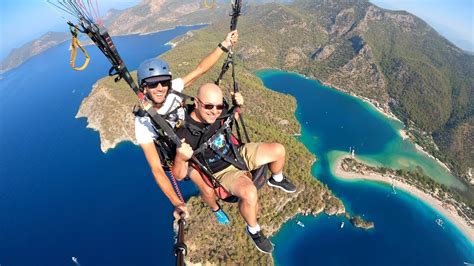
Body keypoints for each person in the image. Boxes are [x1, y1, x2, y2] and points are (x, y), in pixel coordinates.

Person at [172, 83, 297, 254]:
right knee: (250, 193)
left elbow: (232, 120)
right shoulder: (184, 135)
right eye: (208, 106)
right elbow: (178, 175)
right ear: (197, 103)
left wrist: (238, 105)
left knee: (278, 150)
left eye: (218, 106)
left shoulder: (219, 112)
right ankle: (254, 230)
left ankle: (277, 178)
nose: (214, 111)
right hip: (221, 171)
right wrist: (180, 157)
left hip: (238, 153)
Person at [135, 30, 238, 224]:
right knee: (207, 189)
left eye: (163, 82)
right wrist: (176, 202)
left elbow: (201, 69)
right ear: (144, 87)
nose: (160, 88)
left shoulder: (173, 89)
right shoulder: (143, 122)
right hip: (182, 156)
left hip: (197, 139)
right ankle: (216, 209)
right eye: (153, 83)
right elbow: (157, 169)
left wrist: (224, 45)